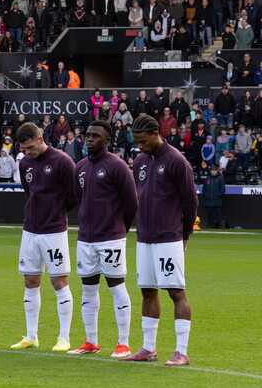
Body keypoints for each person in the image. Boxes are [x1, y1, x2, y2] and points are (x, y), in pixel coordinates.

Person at [120, 115, 198, 366]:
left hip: (168, 237)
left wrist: (184, 235)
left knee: (176, 292)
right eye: (137, 142)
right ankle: (148, 349)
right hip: (144, 237)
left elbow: (190, 202)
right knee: (147, 290)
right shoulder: (141, 161)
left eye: (143, 141)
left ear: (156, 134)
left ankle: (181, 352)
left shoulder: (177, 160)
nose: (139, 147)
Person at [68, 120, 138, 358]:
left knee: (116, 288)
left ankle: (124, 343)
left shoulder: (118, 166)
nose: (89, 139)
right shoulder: (80, 167)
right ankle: (91, 342)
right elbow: (79, 198)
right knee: (88, 290)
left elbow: (131, 203)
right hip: (86, 238)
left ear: (107, 140)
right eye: (87, 135)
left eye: (95, 136)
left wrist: (119, 229)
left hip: (111, 238)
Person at [7, 122, 77, 352]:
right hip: (30, 229)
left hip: (54, 230)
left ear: (40, 137)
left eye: (31, 146)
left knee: (59, 281)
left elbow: (74, 195)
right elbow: (30, 193)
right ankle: (31, 336)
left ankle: (64, 337)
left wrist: (55, 211)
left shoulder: (62, 161)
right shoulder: (25, 162)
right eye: (24, 148)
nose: (28, 152)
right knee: (30, 281)